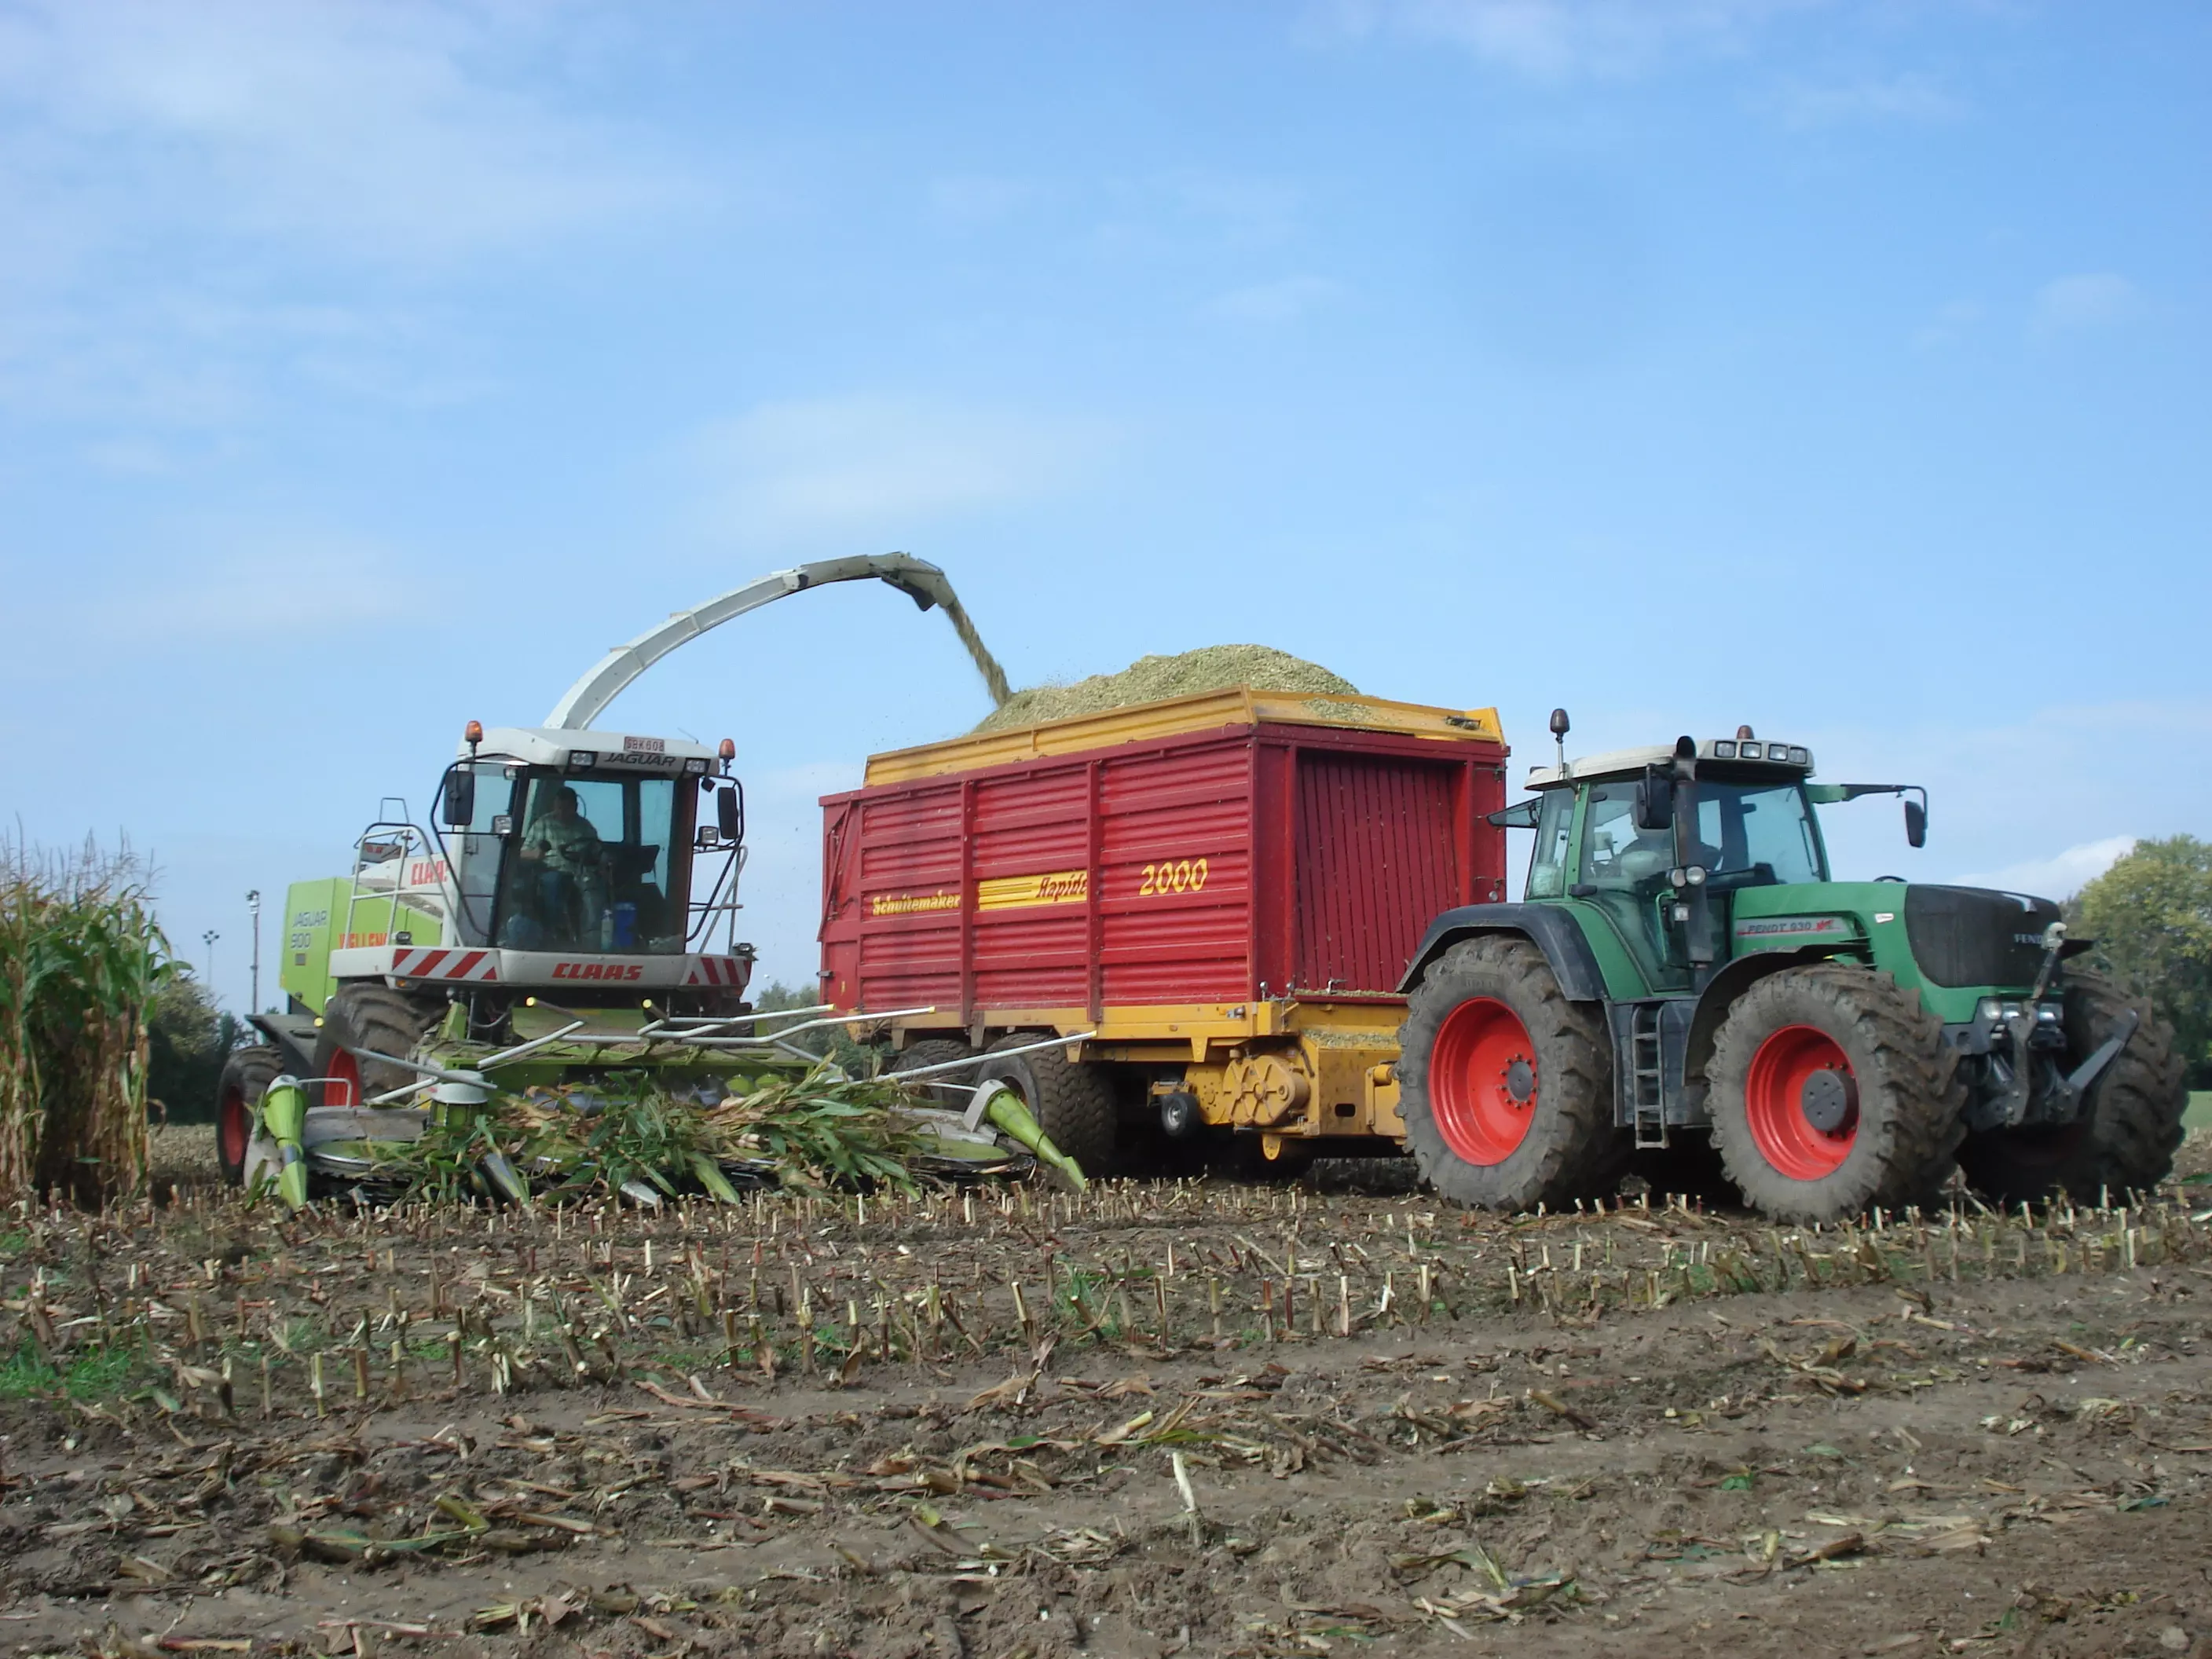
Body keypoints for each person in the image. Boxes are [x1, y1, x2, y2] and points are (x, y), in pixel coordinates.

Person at [519, 786, 606, 940]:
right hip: (552, 870)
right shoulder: (544, 824)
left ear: (576, 807)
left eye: (567, 808)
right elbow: (523, 852)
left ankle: (594, 935)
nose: (562, 812)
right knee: (554, 883)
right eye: (559, 807)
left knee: (597, 888)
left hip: (580, 872)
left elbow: (597, 850)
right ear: (554, 805)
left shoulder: (585, 827)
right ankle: (554, 931)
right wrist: (536, 854)